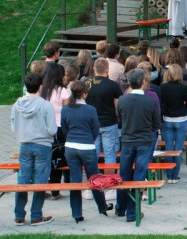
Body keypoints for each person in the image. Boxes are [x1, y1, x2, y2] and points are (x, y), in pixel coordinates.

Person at [61, 81, 113, 223]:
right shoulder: (90, 109)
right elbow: (95, 129)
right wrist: (89, 139)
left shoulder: (66, 109)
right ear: (84, 94)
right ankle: (102, 207)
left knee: (75, 180)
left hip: (70, 146)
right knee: (94, 179)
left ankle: (76, 213)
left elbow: (64, 128)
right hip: (87, 147)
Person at [12, 73, 57, 226]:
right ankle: (36, 215)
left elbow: (13, 126)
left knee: (22, 179)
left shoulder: (17, 105)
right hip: (43, 145)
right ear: (40, 87)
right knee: (41, 180)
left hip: (24, 144)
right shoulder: (46, 105)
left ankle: (19, 215)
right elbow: (52, 130)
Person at [116, 69, 161, 222]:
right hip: (144, 141)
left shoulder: (122, 100)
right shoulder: (150, 101)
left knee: (124, 174)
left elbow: (120, 121)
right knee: (139, 176)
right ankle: (132, 212)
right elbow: (156, 123)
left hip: (127, 141)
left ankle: (121, 207)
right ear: (143, 82)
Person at [41, 63, 70, 199]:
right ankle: (55, 190)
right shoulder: (62, 91)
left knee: (44, 159)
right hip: (59, 129)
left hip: (43, 128)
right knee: (57, 159)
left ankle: (41, 189)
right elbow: (67, 112)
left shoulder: (41, 91)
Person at [85, 58, 122, 165]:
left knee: (93, 153)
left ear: (94, 68)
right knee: (110, 154)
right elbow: (117, 107)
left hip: (91, 122)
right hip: (109, 122)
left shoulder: (86, 82)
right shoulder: (113, 85)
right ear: (107, 70)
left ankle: (93, 174)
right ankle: (110, 175)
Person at [160, 64, 187, 183]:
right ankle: (175, 176)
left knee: (168, 148)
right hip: (181, 119)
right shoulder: (184, 88)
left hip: (168, 119)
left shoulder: (163, 87)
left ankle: (169, 176)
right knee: (178, 148)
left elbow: (161, 103)